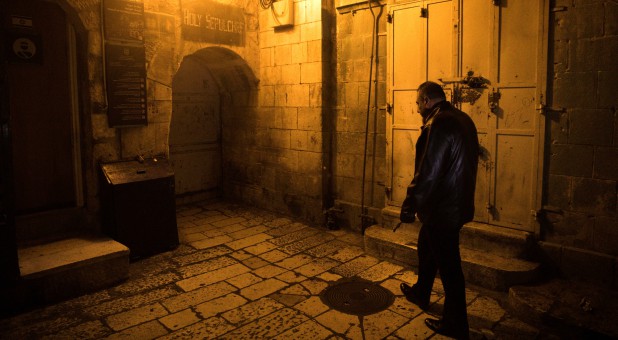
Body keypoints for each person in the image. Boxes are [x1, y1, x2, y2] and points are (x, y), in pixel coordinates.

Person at [399, 81, 479, 339]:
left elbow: (429, 172)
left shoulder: (439, 123)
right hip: (454, 203)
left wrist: (411, 203)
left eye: (417, 103)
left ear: (425, 101)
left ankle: (456, 324)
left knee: (450, 268)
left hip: (442, 208)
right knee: (426, 246)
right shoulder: (462, 118)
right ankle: (422, 291)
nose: (417, 108)